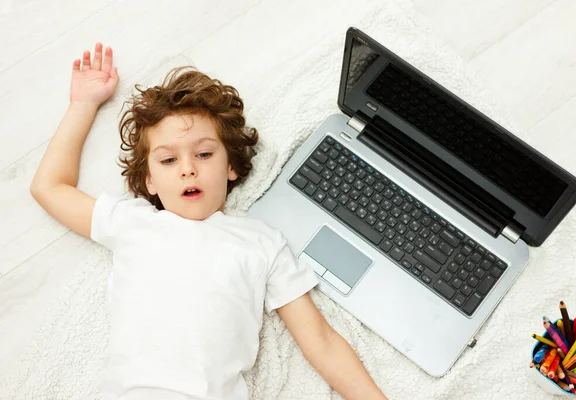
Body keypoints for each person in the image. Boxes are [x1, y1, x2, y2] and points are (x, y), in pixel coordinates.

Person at [30, 42, 388, 400]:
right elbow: (49, 187)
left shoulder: (261, 242)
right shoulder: (132, 223)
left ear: (231, 165)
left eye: (203, 154)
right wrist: (82, 105)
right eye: (168, 160)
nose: (188, 168)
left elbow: (321, 342)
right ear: (149, 180)